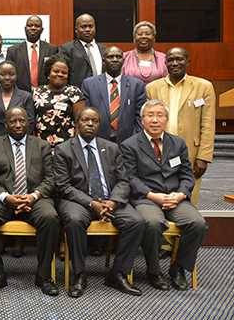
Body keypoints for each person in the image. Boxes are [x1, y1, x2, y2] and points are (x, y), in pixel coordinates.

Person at [54, 107, 145, 298]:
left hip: (110, 200)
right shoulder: (63, 150)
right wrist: (91, 203)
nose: (89, 124)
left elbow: (123, 180)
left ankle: (118, 273)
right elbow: (63, 186)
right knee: (74, 220)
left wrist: (112, 202)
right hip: (78, 200)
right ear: (76, 124)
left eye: (94, 121)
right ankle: (79, 274)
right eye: (85, 120)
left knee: (135, 221)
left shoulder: (111, 148)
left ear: (99, 124)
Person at [121, 99, 208, 291]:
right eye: (150, 115)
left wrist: (180, 194)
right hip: (146, 198)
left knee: (197, 223)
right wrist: (153, 195)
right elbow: (130, 178)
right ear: (142, 119)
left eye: (159, 115)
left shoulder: (177, 143)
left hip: (175, 198)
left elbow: (187, 175)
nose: (155, 120)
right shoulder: (130, 145)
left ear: (166, 119)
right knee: (152, 223)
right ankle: (154, 270)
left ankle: (178, 268)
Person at [0, 107, 60, 297]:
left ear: (28, 123)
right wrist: (7, 197)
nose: (18, 124)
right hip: (5, 199)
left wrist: (33, 196)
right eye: (13, 121)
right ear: (5, 125)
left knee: (50, 217)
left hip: (34, 199)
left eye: (22, 120)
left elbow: (51, 179)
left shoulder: (42, 145)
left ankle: (44, 276)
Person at [145, 47, 216, 206]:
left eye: (179, 59)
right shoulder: (152, 88)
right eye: (170, 60)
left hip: (191, 151)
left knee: (188, 200)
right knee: (160, 198)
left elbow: (208, 124)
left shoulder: (204, 87)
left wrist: (203, 157)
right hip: (159, 150)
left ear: (188, 62)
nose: (175, 63)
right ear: (165, 63)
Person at [81, 46, 146, 143]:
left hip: (129, 142)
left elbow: (140, 116)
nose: (115, 60)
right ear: (103, 61)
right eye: (110, 57)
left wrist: (134, 139)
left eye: (118, 57)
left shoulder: (136, 85)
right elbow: (86, 115)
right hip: (98, 141)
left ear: (123, 61)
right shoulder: (89, 84)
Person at [33, 55, 86, 146]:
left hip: (67, 146)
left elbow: (80, 122)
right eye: (56, 71)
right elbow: (32, 120)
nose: (60, 74)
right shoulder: (37, 92)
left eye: (64, 72)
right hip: (40, 145)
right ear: (48, 74)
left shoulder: (74, 92)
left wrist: (76, 146)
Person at [0, 61, 36, 142]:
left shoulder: (26, 96)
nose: (7, 77)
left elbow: (30, 122)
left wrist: (21, 140)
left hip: (20, 141)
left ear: (16, 76)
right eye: (3, 74)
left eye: (11, 74)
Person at [6, 15, 58, 93]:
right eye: (30, 25)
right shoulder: (13, 51)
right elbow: (9, 74)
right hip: (20, 95)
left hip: (46, 94)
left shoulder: (52, 49)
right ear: (25, 29)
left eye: (37, 26)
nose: (33, 28)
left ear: (42, 30)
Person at [59, 14, 106, 88]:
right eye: (83, 27)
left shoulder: (104, 50)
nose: (87, 29)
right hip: (78, 95)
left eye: (90, 26)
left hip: (101, 93)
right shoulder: (67, 49)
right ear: (76, 30)